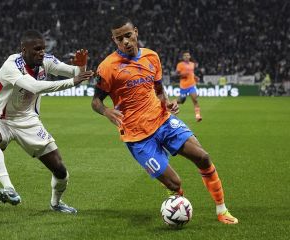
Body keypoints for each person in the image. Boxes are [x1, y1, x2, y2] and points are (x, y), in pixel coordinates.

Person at [91, 16, 238, 224]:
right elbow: (95, 101)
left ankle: (222, 210)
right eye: (119, 38)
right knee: (175, 183)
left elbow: (159, 91)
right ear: (114, 40)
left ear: (136, 32)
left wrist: (167, 103)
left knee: (203, 157)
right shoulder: (108, 67)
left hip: (162, 121)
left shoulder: (151, 57)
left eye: (128, 35)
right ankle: (177, 201)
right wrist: (106, 111)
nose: (125, 41)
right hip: (137, 136)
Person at [0, 30, 93, 214]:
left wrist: (81, 66)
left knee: (60, 170)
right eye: (36, 49)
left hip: (29, 121)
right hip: (2, 119)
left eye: (43, 49)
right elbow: (34, 86)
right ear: (24, 50)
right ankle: (9, 188)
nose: (41, 52)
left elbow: (74, 72)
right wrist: (73, 81)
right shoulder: (11, 65)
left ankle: (56, 203)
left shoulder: (46, 61)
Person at [175, 50, 202, 122]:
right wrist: (182, 75)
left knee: (195, 100)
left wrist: (195, 77)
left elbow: (191, 73)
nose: (186, 57)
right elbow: (176, 75)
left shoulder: (192, 64)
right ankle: (172, 103)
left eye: (188, 55)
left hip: (191, 85)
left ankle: (198, 116)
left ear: (190, 56)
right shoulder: (180, 65)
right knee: (181, 101)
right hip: (183, 86)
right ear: (183, 57)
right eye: (185, 55)